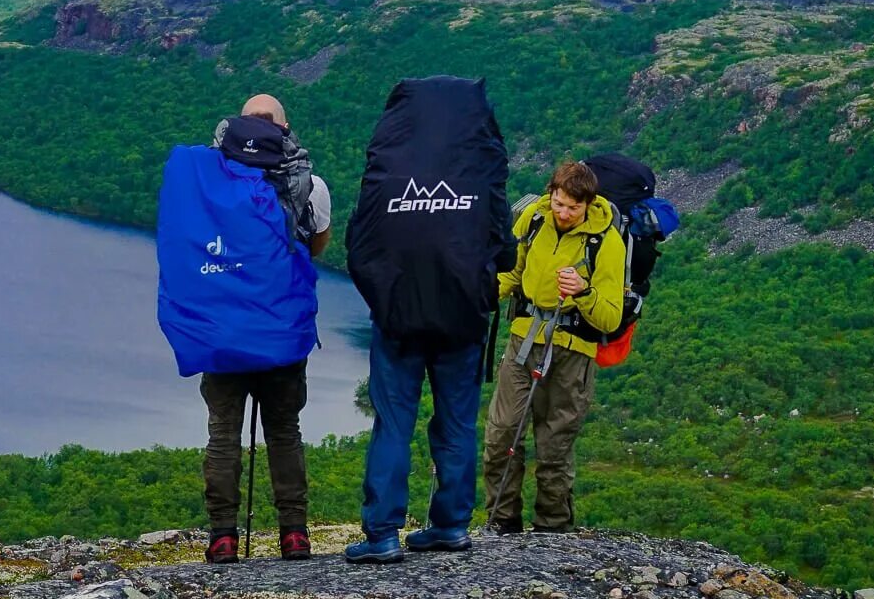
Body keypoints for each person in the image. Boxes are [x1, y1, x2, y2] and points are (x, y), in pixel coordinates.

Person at [342, 75, 511, 564]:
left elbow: (362, 245)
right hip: (462, 318)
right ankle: (451, 525)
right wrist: (476, 288)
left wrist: (385, 298)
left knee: (393, 423)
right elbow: (502, 247)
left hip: (398, 318)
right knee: (457, 422)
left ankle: (382, 534)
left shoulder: (390, 169)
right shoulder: (478, 169)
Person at [195, 94, 332, 564]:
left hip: (225, 332)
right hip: (280, 333)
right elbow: (315, 250)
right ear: (284, 127)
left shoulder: (209, 184)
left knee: (222, 435)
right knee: (284, 432)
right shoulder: (309, 185)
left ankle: (223, 536)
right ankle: (294, 533)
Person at [480, 159, 625, 535]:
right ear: (551, 193)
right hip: (523, 341)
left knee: (554, 448)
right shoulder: (534, 218)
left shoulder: (605, 240)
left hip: (572, 351)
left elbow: (610, 317)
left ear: (588, 203)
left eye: (573, 208)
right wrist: (476, 299)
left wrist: (583, 291)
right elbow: (513, 270)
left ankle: (552, 530)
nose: (563, 213)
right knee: (501, 434)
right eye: (559, 203)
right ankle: (501, 522)